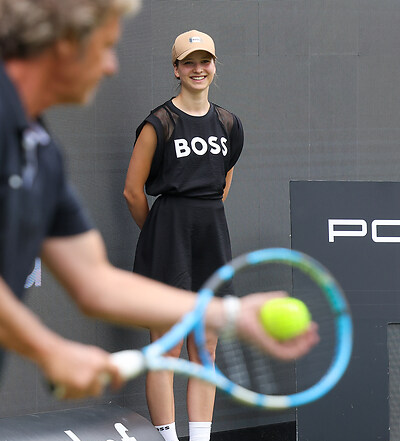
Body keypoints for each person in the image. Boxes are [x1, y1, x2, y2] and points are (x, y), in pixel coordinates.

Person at [0, 1, 318, 409]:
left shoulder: (42, 152)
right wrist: (47, 348)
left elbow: (94, 282)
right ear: (64, 45)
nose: (112, 65)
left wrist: (236, 316)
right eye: (105, 46)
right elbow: (131, 198)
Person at [123, 29, 318, 441]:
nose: (198, 68)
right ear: (175, 69)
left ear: (214, 66)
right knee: (167, 347)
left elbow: (221, 183)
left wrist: (197, 226)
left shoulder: (229, 123)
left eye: (205, 61)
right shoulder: (159, 123)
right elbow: (133, 191)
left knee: (206, 346)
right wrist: (159, 235)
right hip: (167, 233)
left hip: (211, 233)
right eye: (189, 61)